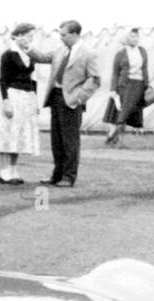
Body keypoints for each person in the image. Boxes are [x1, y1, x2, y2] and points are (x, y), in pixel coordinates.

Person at [38, 20, 100, 187]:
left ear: (74, 34)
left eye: (63, 34)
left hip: (72, 100)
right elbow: (43, 57)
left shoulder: (88, 53)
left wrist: (79, 98)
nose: (60, 37)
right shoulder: (60, 50)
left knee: (70, 140)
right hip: (56, 96)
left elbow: (94, 79)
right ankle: (57, 174)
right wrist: (26, 48)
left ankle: (68, 176)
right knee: (56, 139)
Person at [0, 23, 40, 185]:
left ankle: (13, 169)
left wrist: (35, 100)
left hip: (26, 97)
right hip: (12, 94)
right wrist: (6, 101)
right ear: (19, 35)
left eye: (32, 37)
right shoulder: (8, 55)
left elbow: (32, 79)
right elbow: (3, 80)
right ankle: (4, 171)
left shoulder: (29, 55)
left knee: (19, 134)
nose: (30, 40)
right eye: (28, 36)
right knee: (7, 132)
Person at [104, 28, 149, 146]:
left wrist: (147, 85)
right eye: (132, 36)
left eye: (136, 36)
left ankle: (114, 138)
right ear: (126, 38)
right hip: (125, 85)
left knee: (130, 112)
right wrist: (113, 89)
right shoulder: (120, 54)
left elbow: (145, 69)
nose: (135, 39)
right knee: (119, 112)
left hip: (139, 84)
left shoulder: (142, 51)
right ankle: (112, 137)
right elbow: (115, 73)